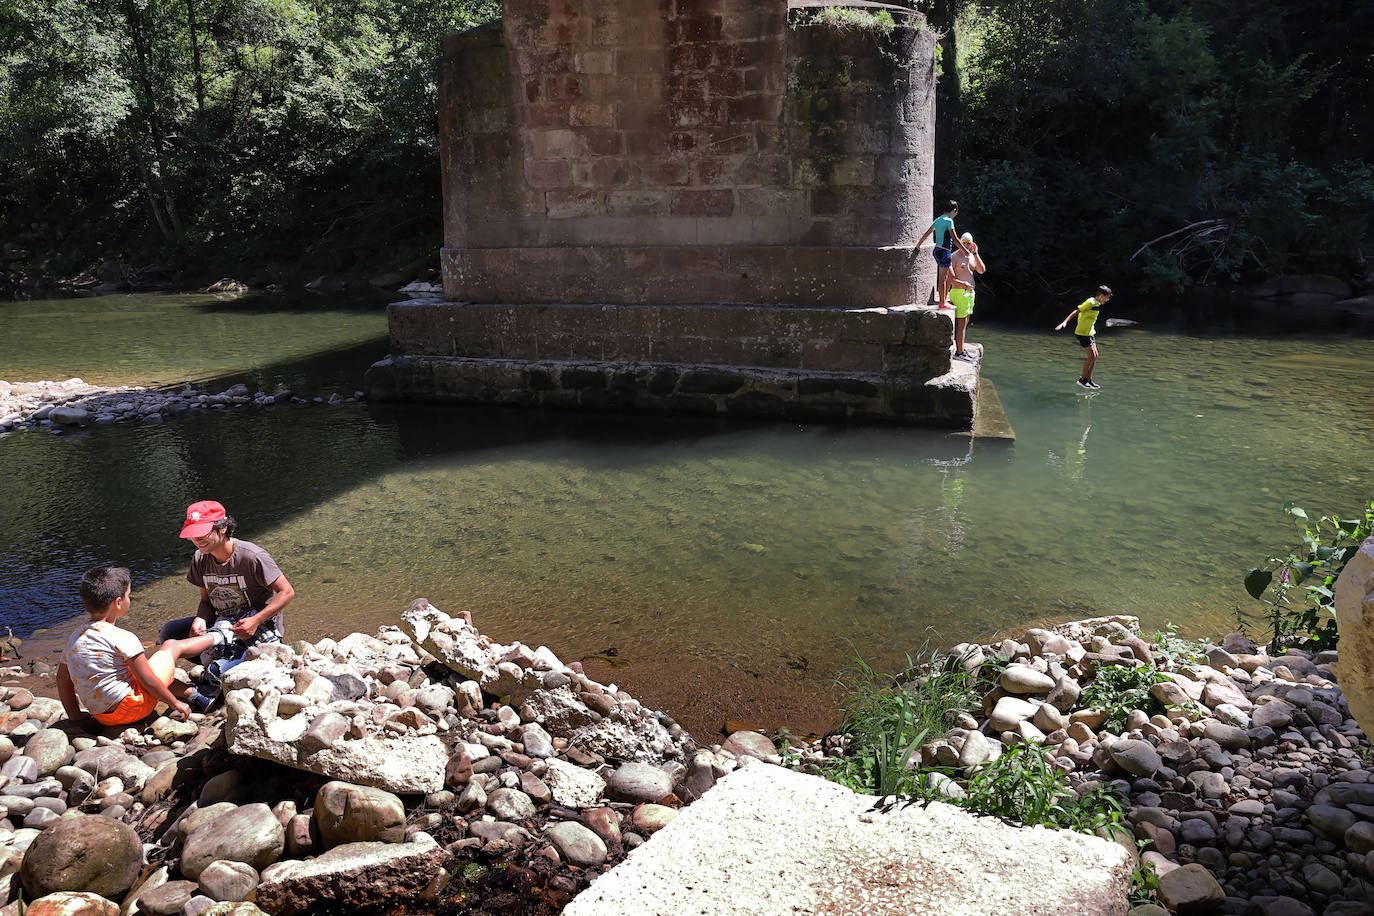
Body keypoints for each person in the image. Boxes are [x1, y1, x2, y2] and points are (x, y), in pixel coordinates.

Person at [159, 500, 295, 709]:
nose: (197, 539)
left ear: (223, 527)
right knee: (168, 632)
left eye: (203, 532)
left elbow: (287, 592)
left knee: (219, 673)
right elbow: (206, 601)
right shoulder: (200, 558)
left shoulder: (252, 556)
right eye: (193, 533)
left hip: (257, 628)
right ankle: (217, 663)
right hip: (222, 623)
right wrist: (200, 619)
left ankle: (219, 671)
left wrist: (256, 620)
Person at [57, 566, 192, 725]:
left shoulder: (74, 638)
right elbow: (148, 680)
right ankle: (215, 638)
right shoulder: (122, 637)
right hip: (132, 709)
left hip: (103, 717)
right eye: (129, 595)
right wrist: (175, 703)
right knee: (171, 647)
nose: (130, 599)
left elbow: (62, 679)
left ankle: (194, 693)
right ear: (118, 602)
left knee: (134, 670)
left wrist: (75, 715)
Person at [915, 200, 972, 310]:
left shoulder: (938, 219)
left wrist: (918, 245)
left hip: (936, 251)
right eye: (956, 212)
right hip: (945, 251)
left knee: (947, 277)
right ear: (954, 210)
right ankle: (942, 303)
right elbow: (955, 238)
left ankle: (943, 300)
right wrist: (965, 250)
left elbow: (927, 233)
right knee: (943, 279)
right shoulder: (949, 221)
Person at [1055, 285, 1113, 389]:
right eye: (1107, 297)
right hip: (1082, 333)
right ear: (1100, 296)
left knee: (1095, 356)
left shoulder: (1097, 303)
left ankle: (1089, 380)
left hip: (1090, 332)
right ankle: (1082, 380)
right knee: (1091, 356)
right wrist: (1064, 322)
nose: (1108, 300)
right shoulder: (1090, 302)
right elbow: (1076, 311)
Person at [948, 232, 986, 360]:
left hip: (969, 294)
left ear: (972, 244)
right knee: (961, 324)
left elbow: (981, 270)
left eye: (968, 243)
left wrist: (976, 253)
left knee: (965, 322)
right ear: (959, 243)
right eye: (963, 242)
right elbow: (949, 279)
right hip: (959, 292)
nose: (966, 245)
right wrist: (963, 285)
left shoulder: (971, 256)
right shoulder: (954, 257)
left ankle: (961, 349)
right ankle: (959, 352)